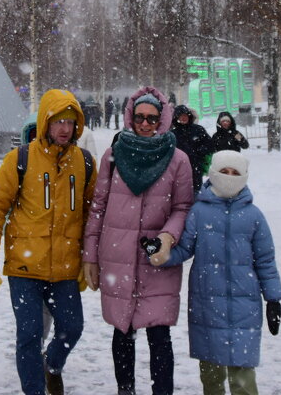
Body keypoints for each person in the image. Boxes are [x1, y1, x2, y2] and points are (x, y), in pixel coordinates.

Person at [0, 89, 97, 395]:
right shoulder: (20, 159)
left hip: (65, 268)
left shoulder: (83, 163)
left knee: (72, 329)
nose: (64, 129)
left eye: (70, 122)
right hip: (25, 267)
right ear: (45, 122)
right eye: (58, 121)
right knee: (29, 334)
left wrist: (90, 257)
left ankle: (52, 365)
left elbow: (92, 213)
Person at [83, 87, 194, 395]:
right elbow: (98, 208)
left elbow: (183, 207)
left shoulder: (178, 160)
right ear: (131, 117)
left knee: (159, 337)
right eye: (141, 117)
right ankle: (126, 390)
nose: (146, 124)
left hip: (157, 259)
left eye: (153, 118)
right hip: (117, 257)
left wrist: (167, 238)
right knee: (123, 333)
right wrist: (90, 257)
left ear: (163, 119)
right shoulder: (114, 154)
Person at [153, 150, 281, 395]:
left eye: (236, 173)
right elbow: (185, 249)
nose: (229, 177)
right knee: (211, 375)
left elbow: (266, 261)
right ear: (213, 174)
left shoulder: (254, 216)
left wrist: (273, 299)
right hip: (207, 305)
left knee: (243, 376)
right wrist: (161, 253)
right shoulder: (199, 212)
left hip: (245, 305)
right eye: (224, 172)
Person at [172, 105, 213, 197]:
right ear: (176, 117)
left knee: (196, 194)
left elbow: (210, 145)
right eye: (180, 115)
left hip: (196, 169)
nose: (183, 117)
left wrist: (198, 152)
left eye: (186, 115)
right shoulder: (172, 134)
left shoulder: (198, 129)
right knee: (180, 196)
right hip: (179, 171)